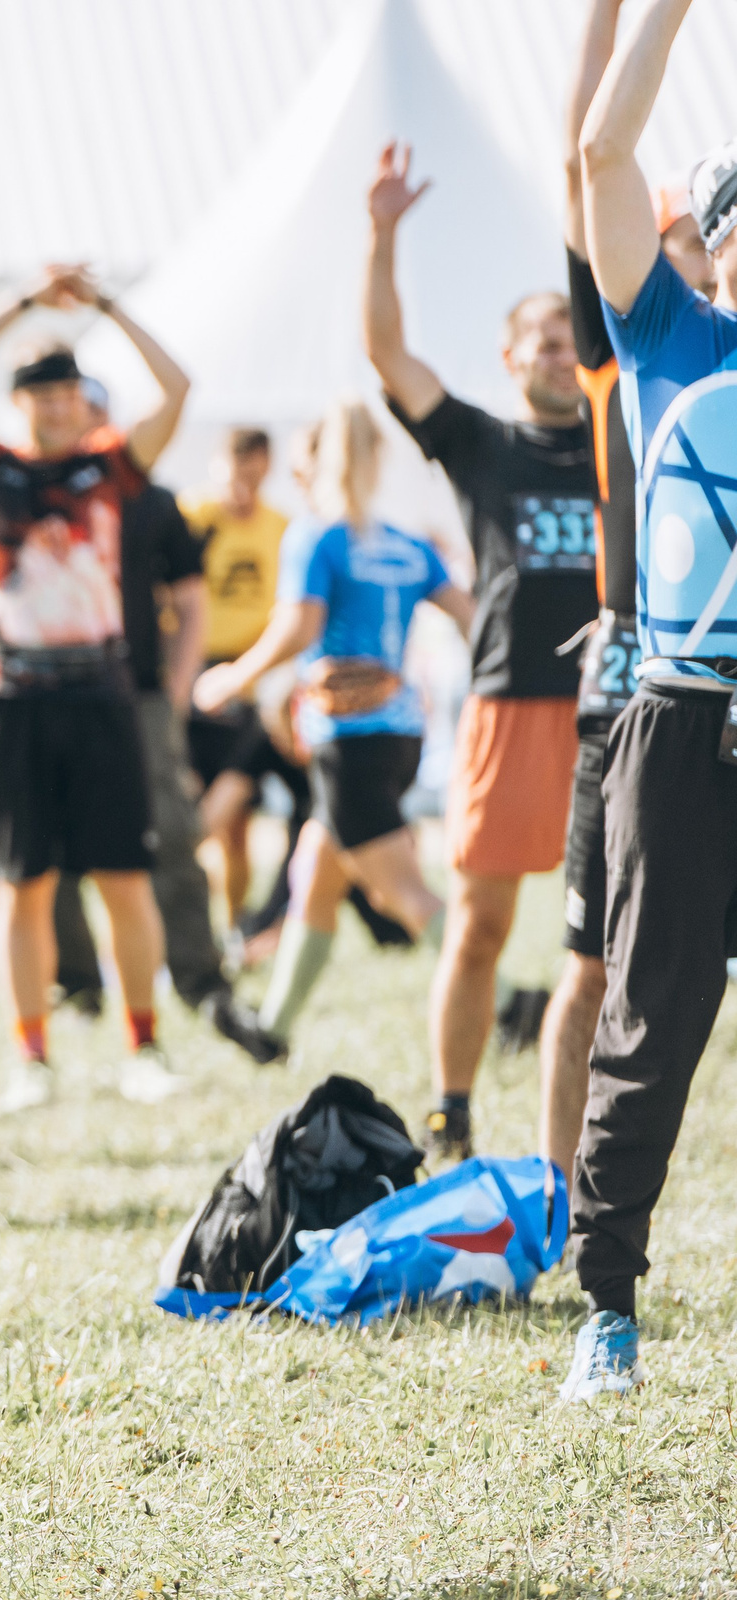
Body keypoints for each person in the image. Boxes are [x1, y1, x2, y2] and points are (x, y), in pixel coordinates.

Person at [365, 140, 601, 1163]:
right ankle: (451, 1111)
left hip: (613, 706)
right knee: (479, 926)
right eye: (539, 339)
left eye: (568, 337)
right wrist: (380, 235)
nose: (557, 351)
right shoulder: (480, 444)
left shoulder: (622, 439)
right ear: (509, 359)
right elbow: (387, 354)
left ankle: (593, 1128)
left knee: (607, 943)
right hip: (512, 705)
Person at [566, 0, 737, 1399]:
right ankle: (605, 1309)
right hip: (680, 719)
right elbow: (600, 153)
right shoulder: (669, 334)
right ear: (717, 242)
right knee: (650, 1017)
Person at [0, 265, 190, 1113]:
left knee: (124, 878)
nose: (58, 405)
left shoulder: (112, 468)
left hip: (101, 691)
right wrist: (26, 302)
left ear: (84, 398)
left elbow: (178, 386)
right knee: (22, 883)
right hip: (12, 697)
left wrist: (106, 304)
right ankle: (29, 1058)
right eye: (41, 391)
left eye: (69, 390)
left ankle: (143, 1046)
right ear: (20, 402)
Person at [538, 0, 713, 1184]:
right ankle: (564, 1199)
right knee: (595, 967)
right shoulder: (630, 337)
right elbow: (586, 155)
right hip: (637, 688)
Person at [194, 400, 473, 1053]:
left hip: (348, 742)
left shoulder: (314, 537)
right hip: (401, 736)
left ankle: (512, 1002)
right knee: (313, 876)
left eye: (297, 467)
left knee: (403, 892)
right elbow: (474, 617)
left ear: (317, 466)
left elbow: (300, 627)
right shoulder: (409, 546)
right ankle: (271, 1030)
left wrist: (231, 678)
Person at [48, 390, 282, 1064]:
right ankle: (79, 984)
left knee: (175, 838)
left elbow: (188, 600)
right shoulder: (33, 496)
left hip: (139, 699)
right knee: (57, 850)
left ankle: (202, 980)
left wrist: (175, 691)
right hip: (54, 697)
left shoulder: (149, 500)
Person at [180, 427, 295, 933]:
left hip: (250, 679)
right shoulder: (192, 518)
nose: (245, 489)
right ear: (217, 467)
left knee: (235, 825)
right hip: (194, 674)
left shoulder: (280, 527)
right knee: (196, 808)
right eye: (237, 476)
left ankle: (230, 927)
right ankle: (188, 913)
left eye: (255, 475)